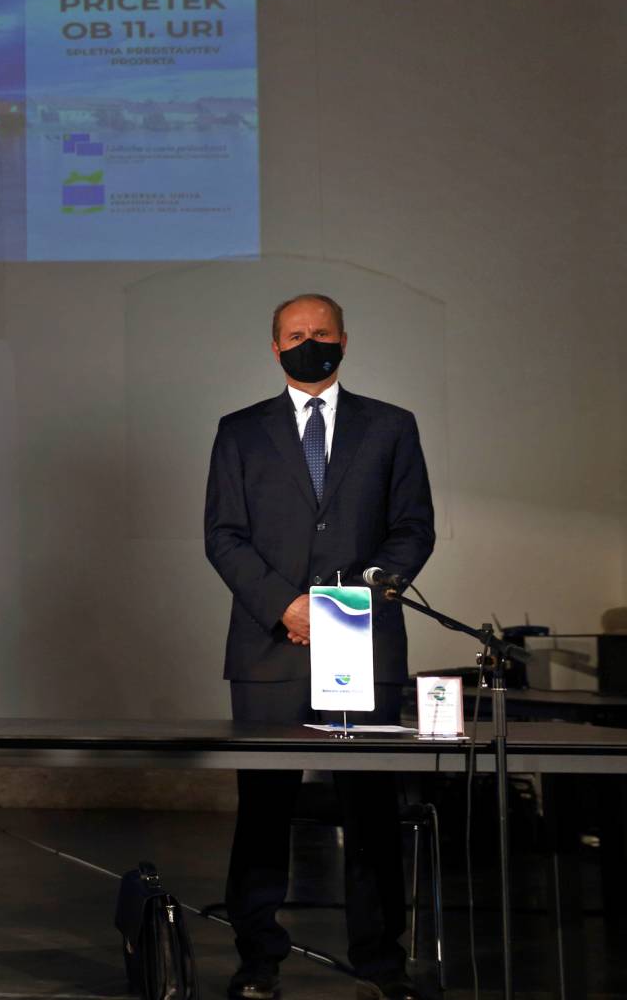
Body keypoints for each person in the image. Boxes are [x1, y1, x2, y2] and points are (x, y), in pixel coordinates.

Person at [204, 294, 436, 1000]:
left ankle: (382, 962)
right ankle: (258, 959)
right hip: (268, 650)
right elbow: (223, 535)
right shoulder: (239, 431)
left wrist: (346, 606)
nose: (311, 342)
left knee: (371, 811)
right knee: (263, 810)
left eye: (322, 332)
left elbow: (412, 529)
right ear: (276, 347)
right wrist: (287, 605)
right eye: (297, 334)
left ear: (344, 340)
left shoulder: (391, 426)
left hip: (365, 646)